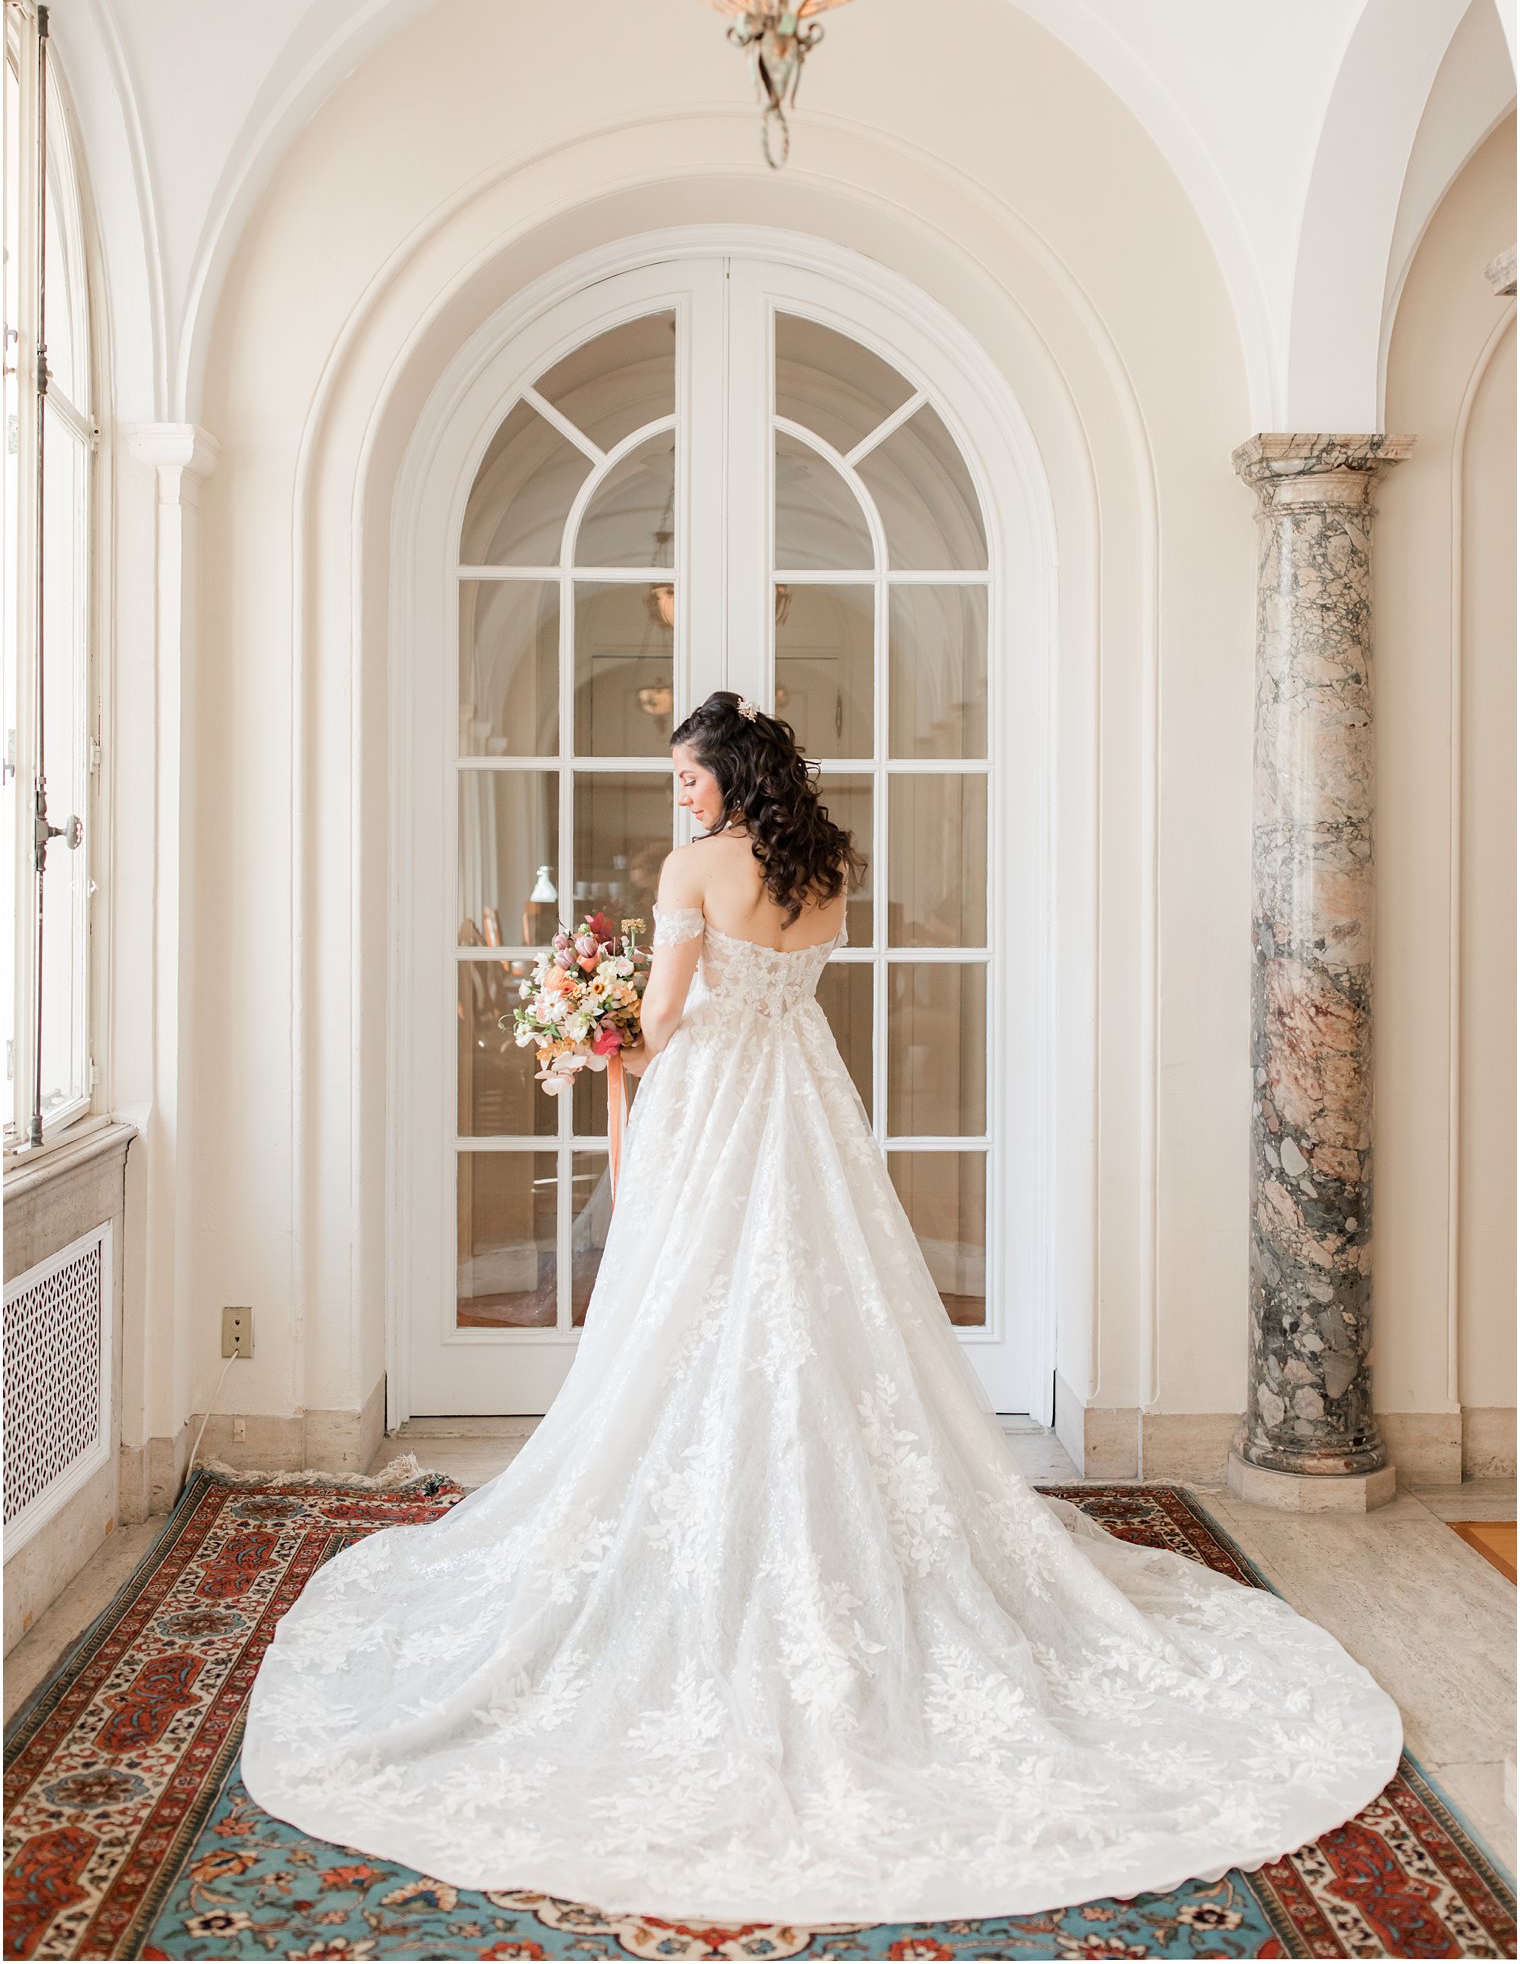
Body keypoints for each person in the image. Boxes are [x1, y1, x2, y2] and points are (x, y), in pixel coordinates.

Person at [239, 691, 1402, 1923]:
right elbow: (783, 993)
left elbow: (665, 1017)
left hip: (710, 1106)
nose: (676, 794)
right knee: (818, 1305)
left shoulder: (694, 866)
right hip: (800, 1100)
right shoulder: (826, 867)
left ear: (730, 778)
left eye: (687, 775)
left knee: (701, 1310)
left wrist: (595, 1030)